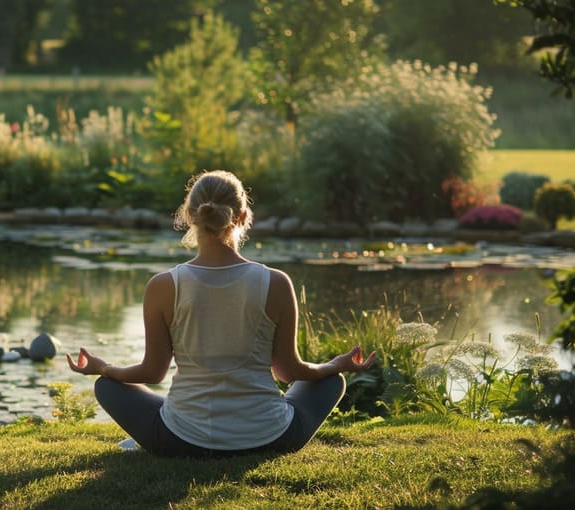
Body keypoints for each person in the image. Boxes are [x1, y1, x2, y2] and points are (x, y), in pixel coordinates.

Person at [67, 170, 375, 458]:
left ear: (190, 216)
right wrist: (335, 365)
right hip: (272, 437)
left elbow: (153, 372)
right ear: (242, 217)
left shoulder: (163, 286)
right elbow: (288, 371)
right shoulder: (276, 282)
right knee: (331, 381)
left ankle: (168, 425)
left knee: (106, 386)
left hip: (179, 440)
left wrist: (104, 368)